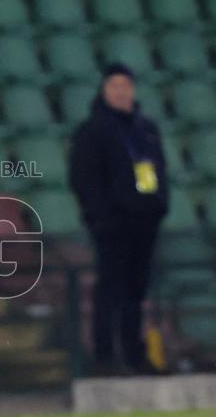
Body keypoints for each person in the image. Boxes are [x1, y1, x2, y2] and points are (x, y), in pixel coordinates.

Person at [68, 63, 168, 376]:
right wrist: (101, 218)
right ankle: (105, 357)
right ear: (104, 90)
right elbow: (84, 179)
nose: (122, 92)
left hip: (144, 222)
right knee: (110, 289)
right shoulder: (92, 131)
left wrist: (158, 205)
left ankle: (134, 356)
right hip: (112, 225)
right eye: (115, 86)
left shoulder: (145, 128)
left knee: (136, 291)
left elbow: (159, 169)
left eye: (126, 86)